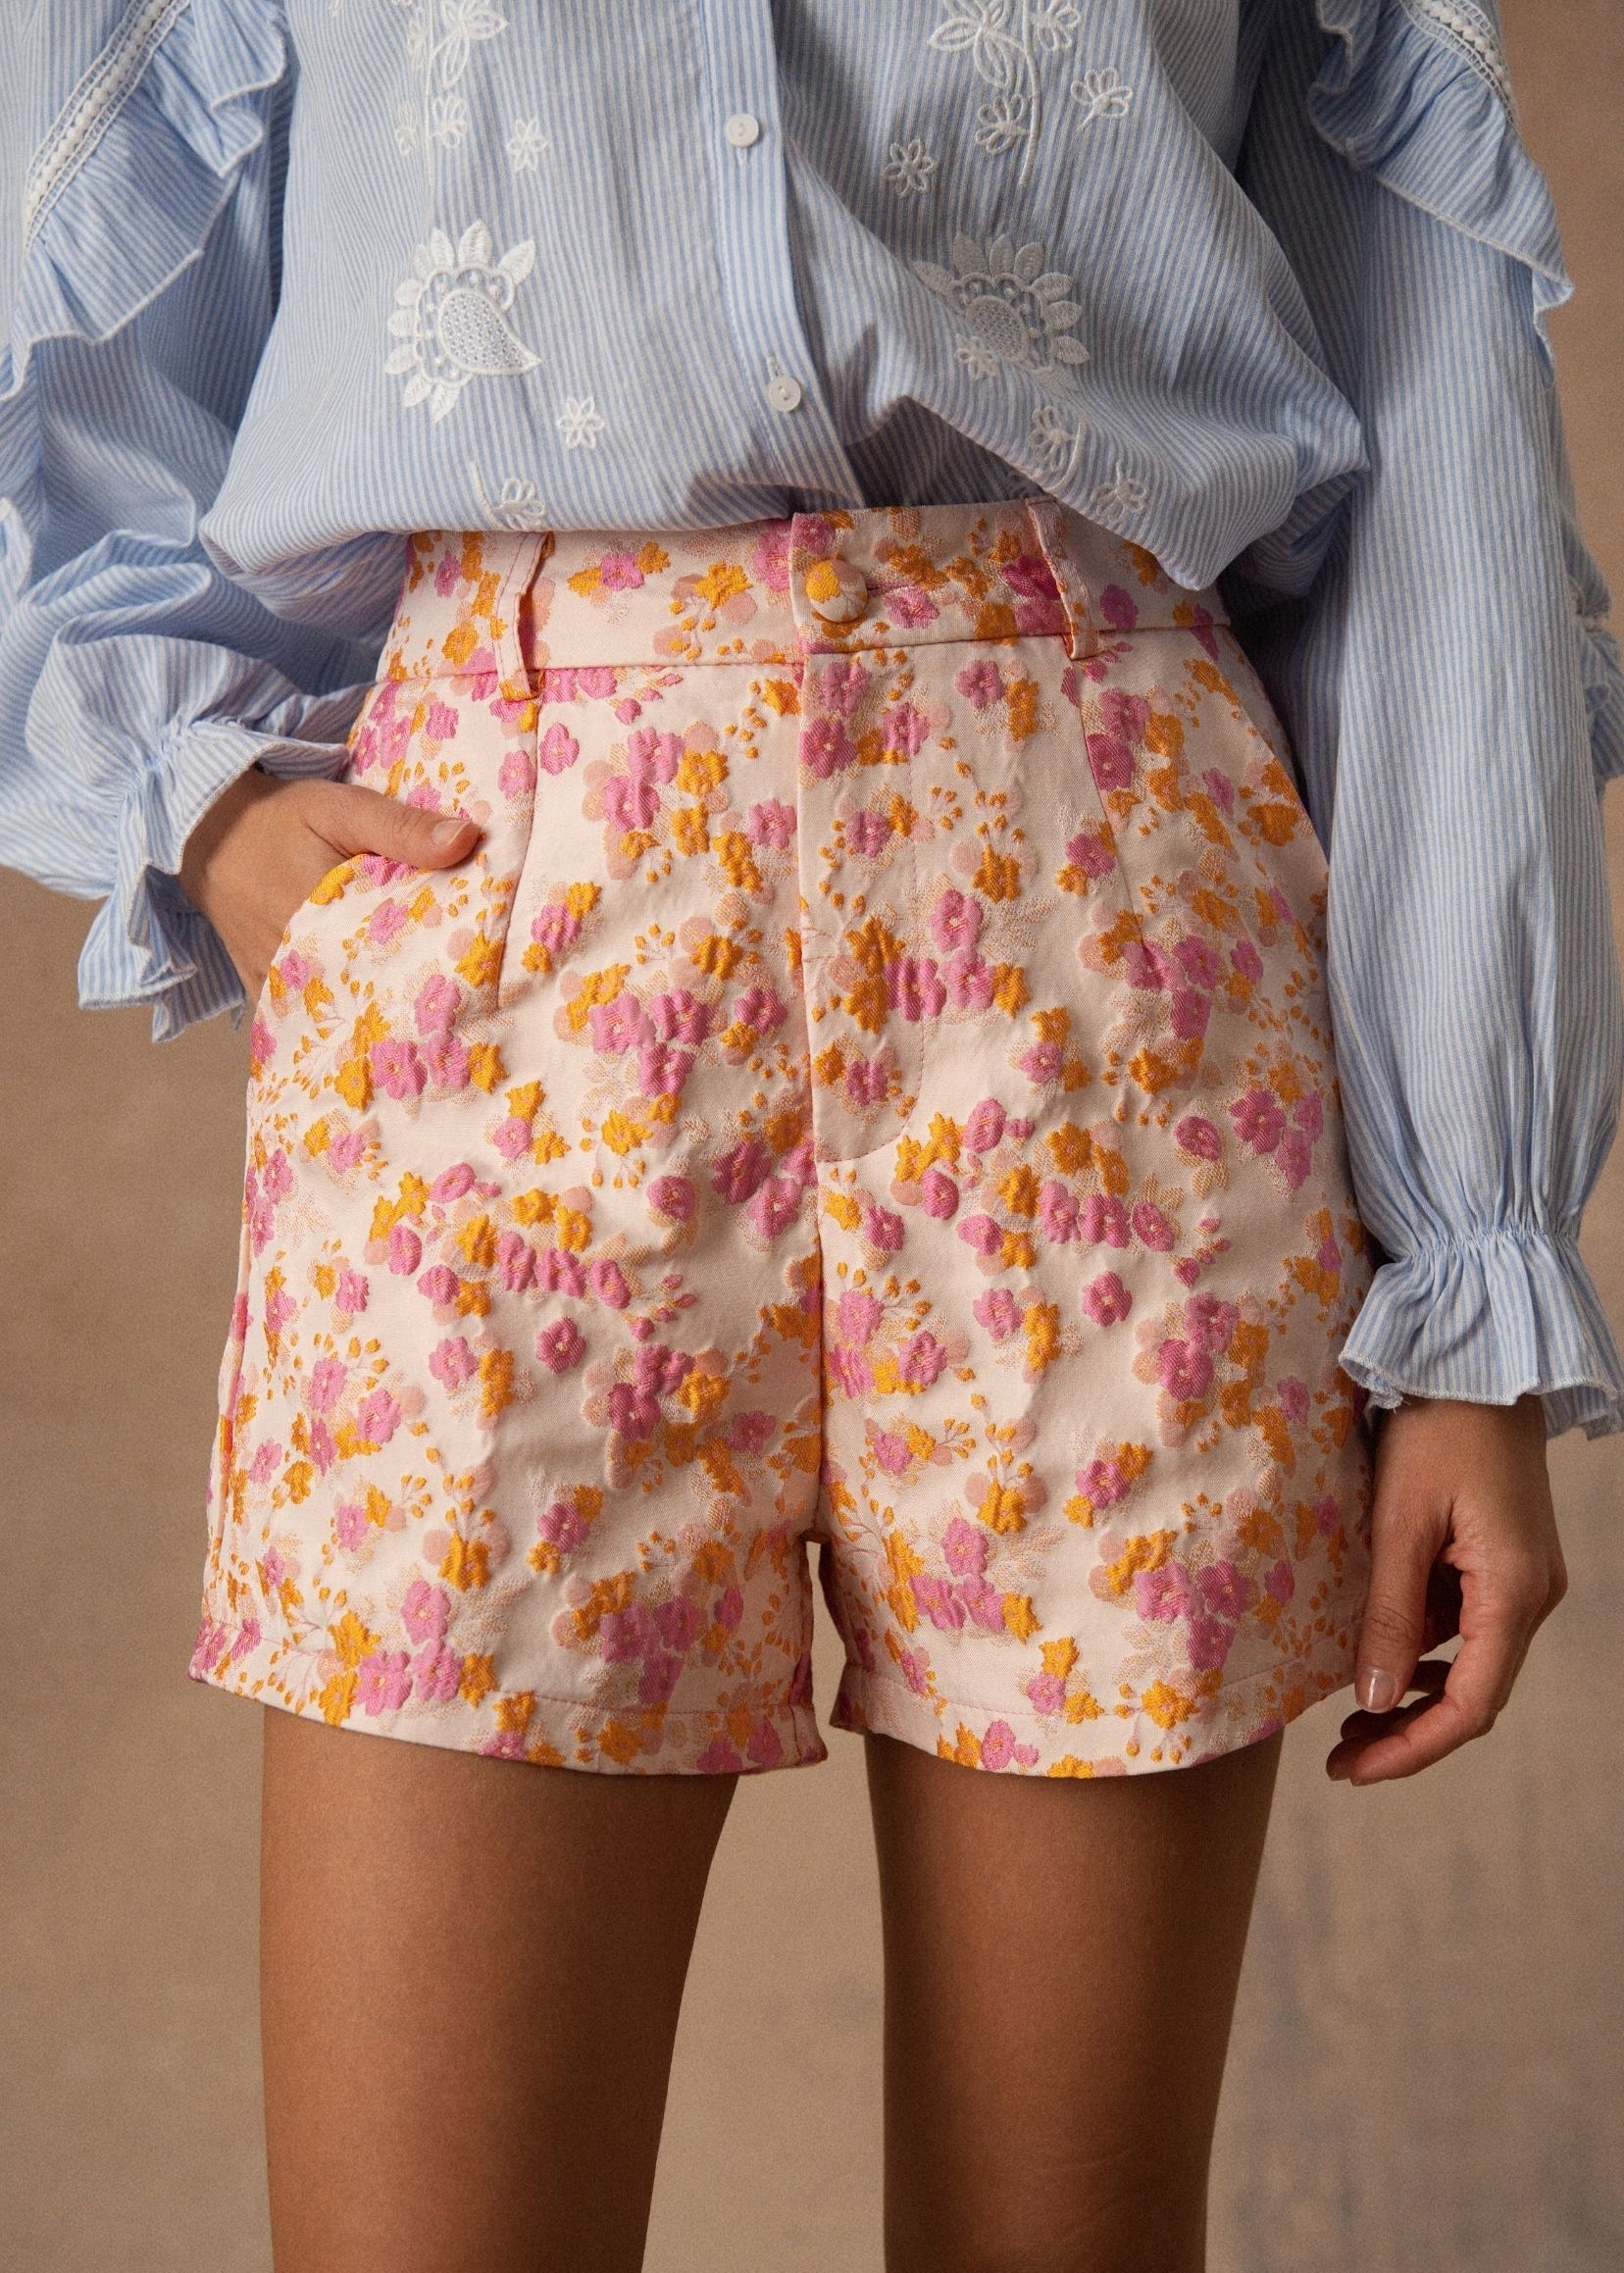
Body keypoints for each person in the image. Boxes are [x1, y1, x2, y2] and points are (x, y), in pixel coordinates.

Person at [2, 3, 1620, 2268]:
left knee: (1065, 2239)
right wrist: (202, 799)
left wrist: (1475, 1283)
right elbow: (64, 271)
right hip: (512, 947)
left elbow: (1434, 435)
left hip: (1107, 960)